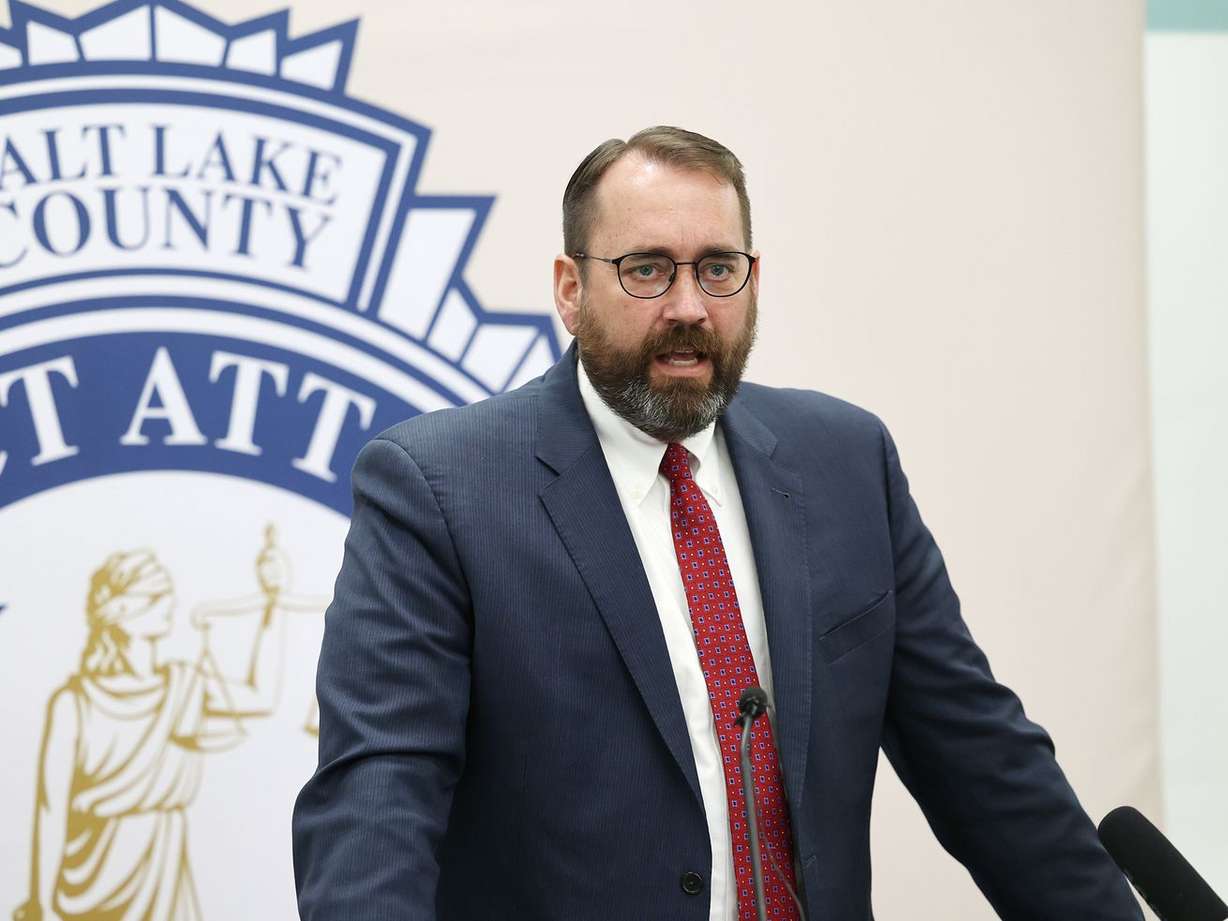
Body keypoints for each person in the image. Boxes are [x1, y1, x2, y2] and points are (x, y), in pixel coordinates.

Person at [292, 126, 1141, 921]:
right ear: (569, 288)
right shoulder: (442, 488)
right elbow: (376, 804)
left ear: (753, 279)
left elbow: (982, 761)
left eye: (718, 269)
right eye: (647, 269)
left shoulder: (846, 463)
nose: (691, 306)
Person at [15, 532, 308, 921]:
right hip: (91, 875)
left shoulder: (182, 686)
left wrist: (273, 606)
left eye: (164, 591)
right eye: (153, 595)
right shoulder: (73, 704)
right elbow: (50, 810)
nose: (167, 600)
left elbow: (259, 697)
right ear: (118, 610)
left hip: (163, 870)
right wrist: (43, 904)